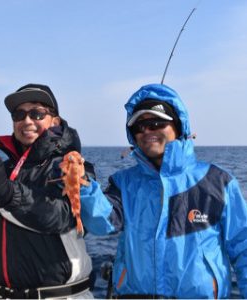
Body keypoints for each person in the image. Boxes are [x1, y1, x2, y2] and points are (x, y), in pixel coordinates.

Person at [80, 83, 247, 298]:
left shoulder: (218, 181)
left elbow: (243, 248)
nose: (147, 131)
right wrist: (83, 184)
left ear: (178, 126)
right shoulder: (123, 183)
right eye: (138, 127)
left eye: (156, 123)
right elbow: (101, 223)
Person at [0, 83, 95, 299]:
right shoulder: (4, 169)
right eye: (19, 114)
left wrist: (6, 193)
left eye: (37, 113)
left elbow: (62, 216)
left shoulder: (71, 164)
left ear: (54, 121)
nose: (27, 120)